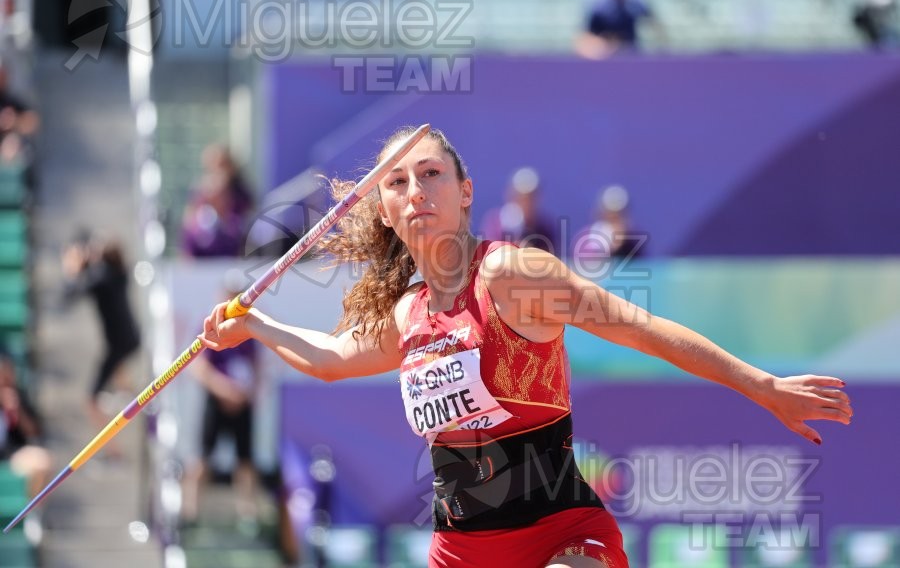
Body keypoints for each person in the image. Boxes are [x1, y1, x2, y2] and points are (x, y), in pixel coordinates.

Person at [199, 127, 853, 568]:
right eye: (397, 183)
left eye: (431, 175)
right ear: (387, 212)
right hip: (460, 551)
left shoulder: (513, 276)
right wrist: (255, 326)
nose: (415, 191)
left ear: (465, 194)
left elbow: (643, 330)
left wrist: (761, 386)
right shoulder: (409, 313)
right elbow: (333, 359)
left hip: (563, 543)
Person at [182, 272, 261, 530]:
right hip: (217, 400)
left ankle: (247, 515)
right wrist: (224, 390)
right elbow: (199, 367)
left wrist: (246, 394)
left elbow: (256, 365)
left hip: (242, 401)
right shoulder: (211, 324)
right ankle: (190, 514)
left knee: (245, 459)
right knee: (203, 457)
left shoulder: (249, 326)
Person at [62, 233, 141, 451]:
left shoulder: (100, 276)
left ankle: (114, 452)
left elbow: (68, 296)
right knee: (120, 377)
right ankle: (132, 396)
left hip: (119, 345)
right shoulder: (117, 273)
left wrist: (73, 268)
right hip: (130, 340)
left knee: (90, 400)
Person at [180, 144, 254, 258]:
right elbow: (189, 234)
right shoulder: (200, 196)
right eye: (212, 167)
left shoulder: (242, 197)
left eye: (221, 166)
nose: (217, 172)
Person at [1, 350, 51, 499]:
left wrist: (17, 411)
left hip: (10, 454)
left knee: (42, 462)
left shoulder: (17, 395)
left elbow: (33, 432)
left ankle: (31, 512)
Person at [480, 166, 559, 254]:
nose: (527, 203)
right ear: (510, 196)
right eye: (521, 197)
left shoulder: (546, 228)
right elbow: (490, 255)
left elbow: (550, 259)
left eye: (531, 197)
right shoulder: (495, 223)